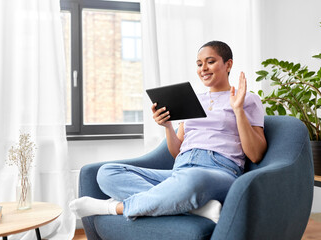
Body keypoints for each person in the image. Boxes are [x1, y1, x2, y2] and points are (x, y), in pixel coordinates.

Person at [69, 40, 267, 223]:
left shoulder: (246, 99)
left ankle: (112, 207)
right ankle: (192, 207)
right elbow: (176, 152)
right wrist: (167, 126)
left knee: (192, 180)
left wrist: (238, 110)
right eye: (199, 64)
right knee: (108, 172)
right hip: (180, 170)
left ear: (228, 64)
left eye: (210, 62)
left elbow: (256, 154)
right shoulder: (193, 100)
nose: (203, 69)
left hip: (219, 171)